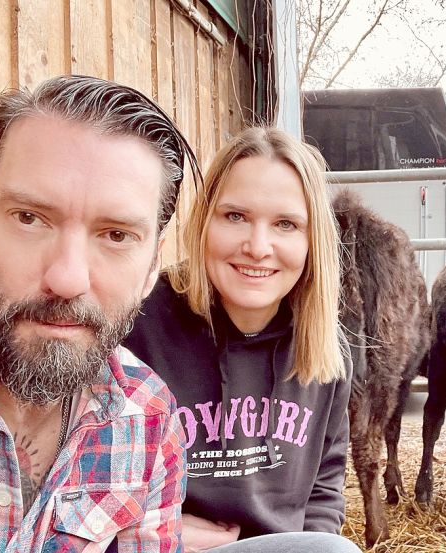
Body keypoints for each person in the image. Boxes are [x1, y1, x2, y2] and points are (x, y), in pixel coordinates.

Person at [0, 75, 197, 551]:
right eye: (29, 218)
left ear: (153, 266)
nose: (67, 278)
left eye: (116, 235)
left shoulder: (149, 420)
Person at [123, 127, 361, 553]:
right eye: (235, 216)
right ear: (204, 221)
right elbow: (81, 475)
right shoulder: (137, 324)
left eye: (286, 224)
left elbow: (326, 483)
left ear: (313, 242)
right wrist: (148, 529)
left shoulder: (326, 348)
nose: (258, 246)